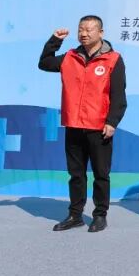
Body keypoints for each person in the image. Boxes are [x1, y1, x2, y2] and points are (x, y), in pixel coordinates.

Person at [38, 15, 126, 233]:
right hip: (74, 125)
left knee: (101, 175)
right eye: (81, 29)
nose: (84, 34)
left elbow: (118, 96)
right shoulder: (69, 57)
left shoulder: (113, 59)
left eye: (89, 29)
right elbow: (44, 63)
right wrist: (54, 41)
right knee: (76, 174)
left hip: (99, 127)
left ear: (101, 33)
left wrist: (112, 122)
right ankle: (75, 215)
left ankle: (100, 215)